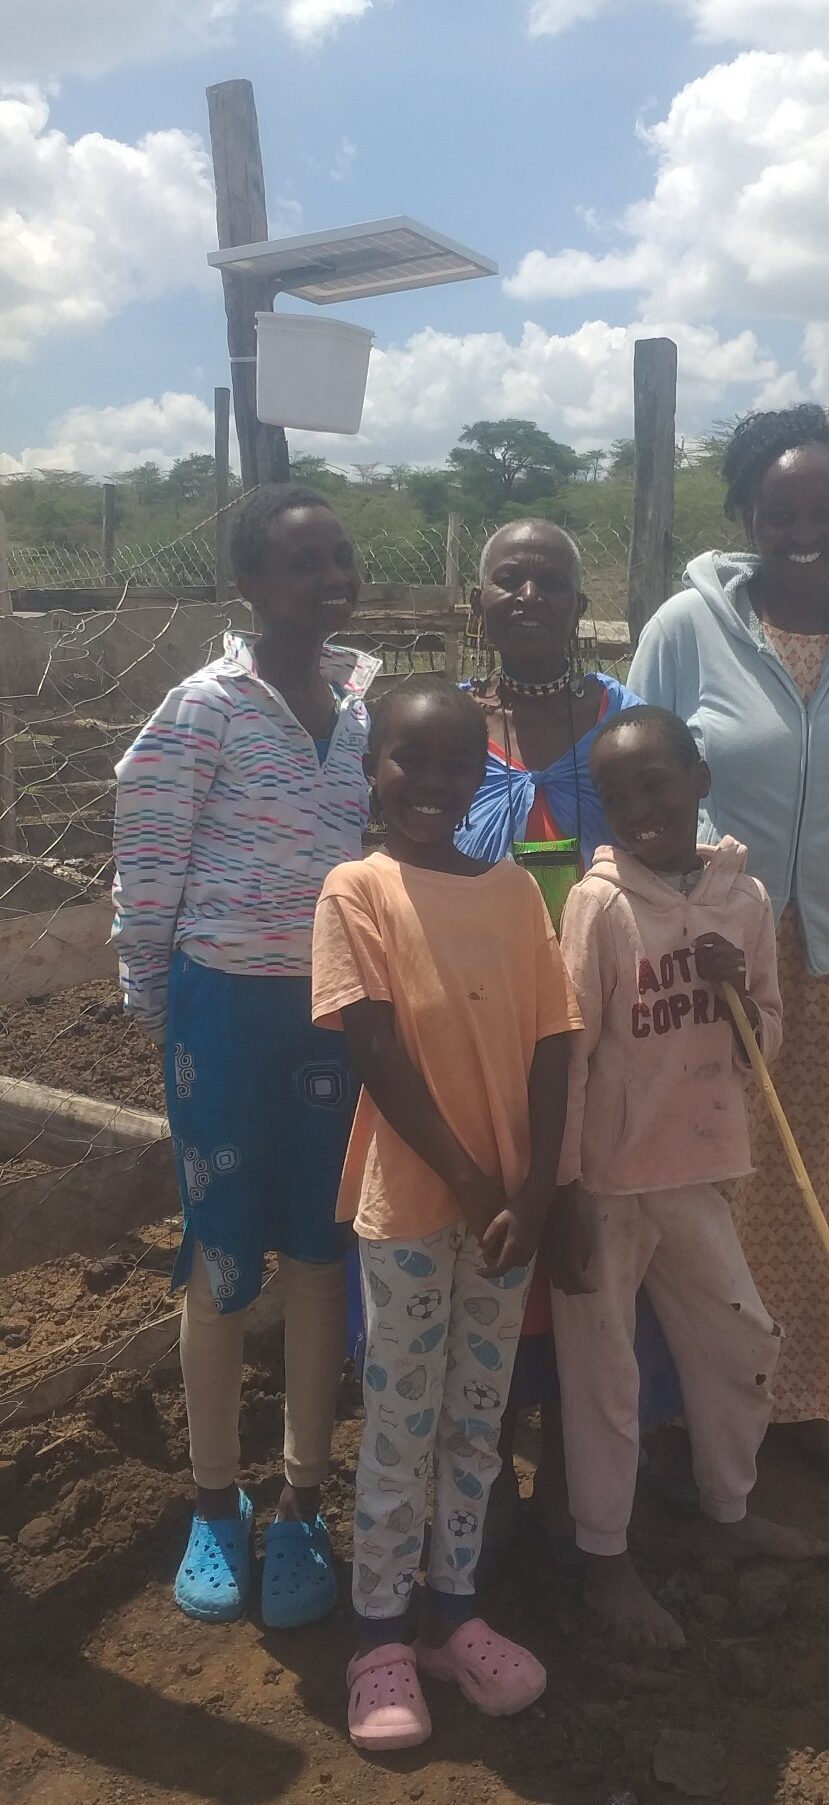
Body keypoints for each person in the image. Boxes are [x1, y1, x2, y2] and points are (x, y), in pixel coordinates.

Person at [628, 405, 829, 1486]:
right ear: (747, 512)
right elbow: (638, 775)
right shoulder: (683, 628)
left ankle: (816, 1394)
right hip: (711, 945)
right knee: (708, 1171)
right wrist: (679, 907)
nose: (804, 527)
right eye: (781, 508)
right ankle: (687, 1397)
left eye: (825, 508)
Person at [112, 485, 379, 1625]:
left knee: (322, 1253)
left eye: (337, 557)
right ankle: (213, 1502)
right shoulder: (205, 706)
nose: (325, 577)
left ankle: (303, 1500)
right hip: (222, 1010)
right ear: (250, 586)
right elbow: (151, 852)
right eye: (298, 562)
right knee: (221, 1257)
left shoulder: (363, 704)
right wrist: (153, 999)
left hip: (331, 1011)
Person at [310, 675, 581, 1752]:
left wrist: (534, 1188)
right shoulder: (356, 889)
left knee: (480, 1414)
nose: (430, 782)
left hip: (508, 1209)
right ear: (372, 766)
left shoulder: (514, 892)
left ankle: (454, 1611)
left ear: (485, 774)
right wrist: (476, 1185)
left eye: (455, 764)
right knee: (400, 1420)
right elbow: (374, 1049)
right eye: (407, 761)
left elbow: (556, 1035)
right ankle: (378, 1633)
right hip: (420, 1205)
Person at [550, 705, 826, 1654]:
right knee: (604, 1374)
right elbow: (571, 1050)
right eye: (618, 793)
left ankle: (730, 1505)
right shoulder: (600, 906)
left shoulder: (741, 902)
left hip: (702, 1167)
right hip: (610, 1181)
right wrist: (566, 1188)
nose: (639, 805)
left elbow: (767, 1043)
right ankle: (604, 1558)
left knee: (739, 1338)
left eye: (657, 783)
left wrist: (737, 992)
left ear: (699, 780)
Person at [456, 519, 641, 1557]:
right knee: (495, 1248)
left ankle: (582, 1505)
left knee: (590, 1260)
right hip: (480, 1034)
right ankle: (484, 1500)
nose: (527, 593)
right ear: (476, 602)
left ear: (579, 605)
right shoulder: (440, 727)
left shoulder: (621, 722)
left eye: (550, 580)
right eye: (506, 577)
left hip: (603, 1035)